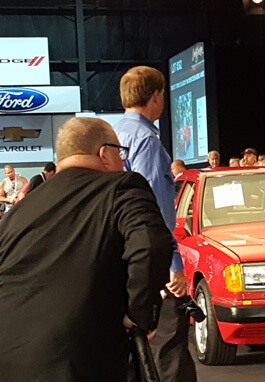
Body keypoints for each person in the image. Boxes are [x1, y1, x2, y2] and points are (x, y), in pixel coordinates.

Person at [0, 117, 172, 381]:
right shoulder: (122, 187)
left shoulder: (20, 211)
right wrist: (140, 314)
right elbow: (151, 244)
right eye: (120, 153)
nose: (122, 162)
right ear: (104, 154)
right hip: (80, 360)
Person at [112, 65, 196, 380]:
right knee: (168, 343)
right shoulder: (146, 139)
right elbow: (152, 208)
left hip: (124, 251)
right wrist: (173, 264)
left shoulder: (115, 133)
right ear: (157, 96)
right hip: (151, 255)